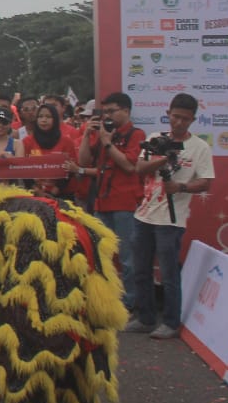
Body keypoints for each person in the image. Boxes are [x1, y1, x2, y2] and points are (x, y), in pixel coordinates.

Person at [125, 93, 214, 339]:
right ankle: (145, 317)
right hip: (144, 215)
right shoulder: (155, 140)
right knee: (140, 270)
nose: (179, 123)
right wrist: (164, 157)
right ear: (168, 114)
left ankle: (171, 322)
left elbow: (206, 182)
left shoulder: (199, 147)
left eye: (185, 119)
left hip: (172, 220)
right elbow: (139, 169)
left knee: (169, 273)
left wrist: (182, 187)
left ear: (193, 119)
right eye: (175, 117)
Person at [78, 91, 147, 311]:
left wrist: (107, 143)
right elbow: (83, 161)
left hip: (125, 204)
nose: (107, 115)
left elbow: (129, 165)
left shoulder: (136, 134)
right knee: (101, 256)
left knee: (127, 258)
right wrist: (87, 136)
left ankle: (130, 304)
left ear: (126, 111)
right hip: (101, 202)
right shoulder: (103, 132)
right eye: (104, 111)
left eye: (111, 111)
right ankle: (105, 300)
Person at [20, 102, 79, 197]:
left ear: (55, 119)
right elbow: (23, 170)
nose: (44, 120)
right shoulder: (27, 141)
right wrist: (37, 191)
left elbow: (70, 170)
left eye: (48, 117)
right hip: (35, 194)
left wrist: (54, 192)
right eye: (40, 116)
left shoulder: (66, 141)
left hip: (63, 194)